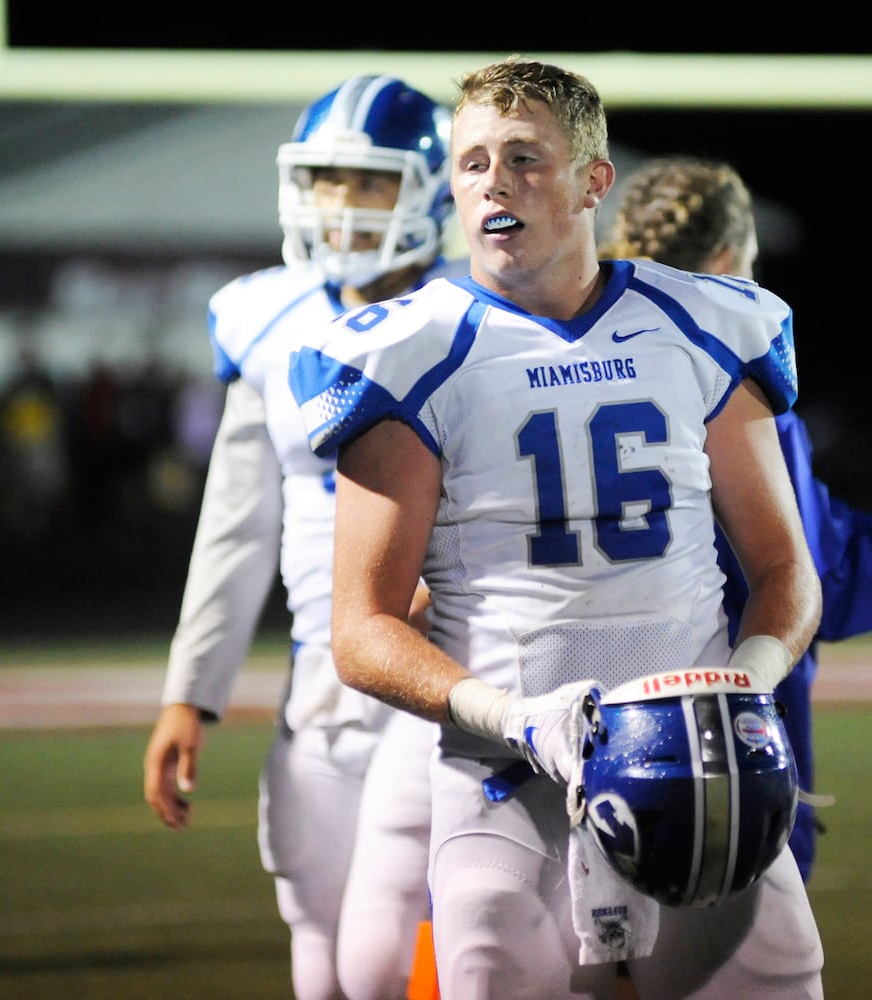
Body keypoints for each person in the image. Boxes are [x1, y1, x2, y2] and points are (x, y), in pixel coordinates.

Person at [289, 56, 826, 1000]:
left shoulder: (701, 324)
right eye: (470, 162)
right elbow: (362, 629)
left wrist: (749, 683)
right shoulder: (407, 352)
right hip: (508, 788)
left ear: (592, 181)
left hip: (704, 769)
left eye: (524, 156)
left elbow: (785, 567)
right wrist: (510, 716)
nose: (493, 180)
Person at [143, 74, 456, 1000]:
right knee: (318, 939)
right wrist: (188, 694)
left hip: (444, 667)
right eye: (324, 179)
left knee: (410, 948)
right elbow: (236, 526)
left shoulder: (479, 318)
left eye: (365, 182)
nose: (338, 204)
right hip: (319, 675)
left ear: (426, 190)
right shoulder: (263, 314)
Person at [599, 153, 872, 882]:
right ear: (729, 258)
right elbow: (829, 583)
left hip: (558, 741)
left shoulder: (528, 362)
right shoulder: (730, 385)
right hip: (709, 756)